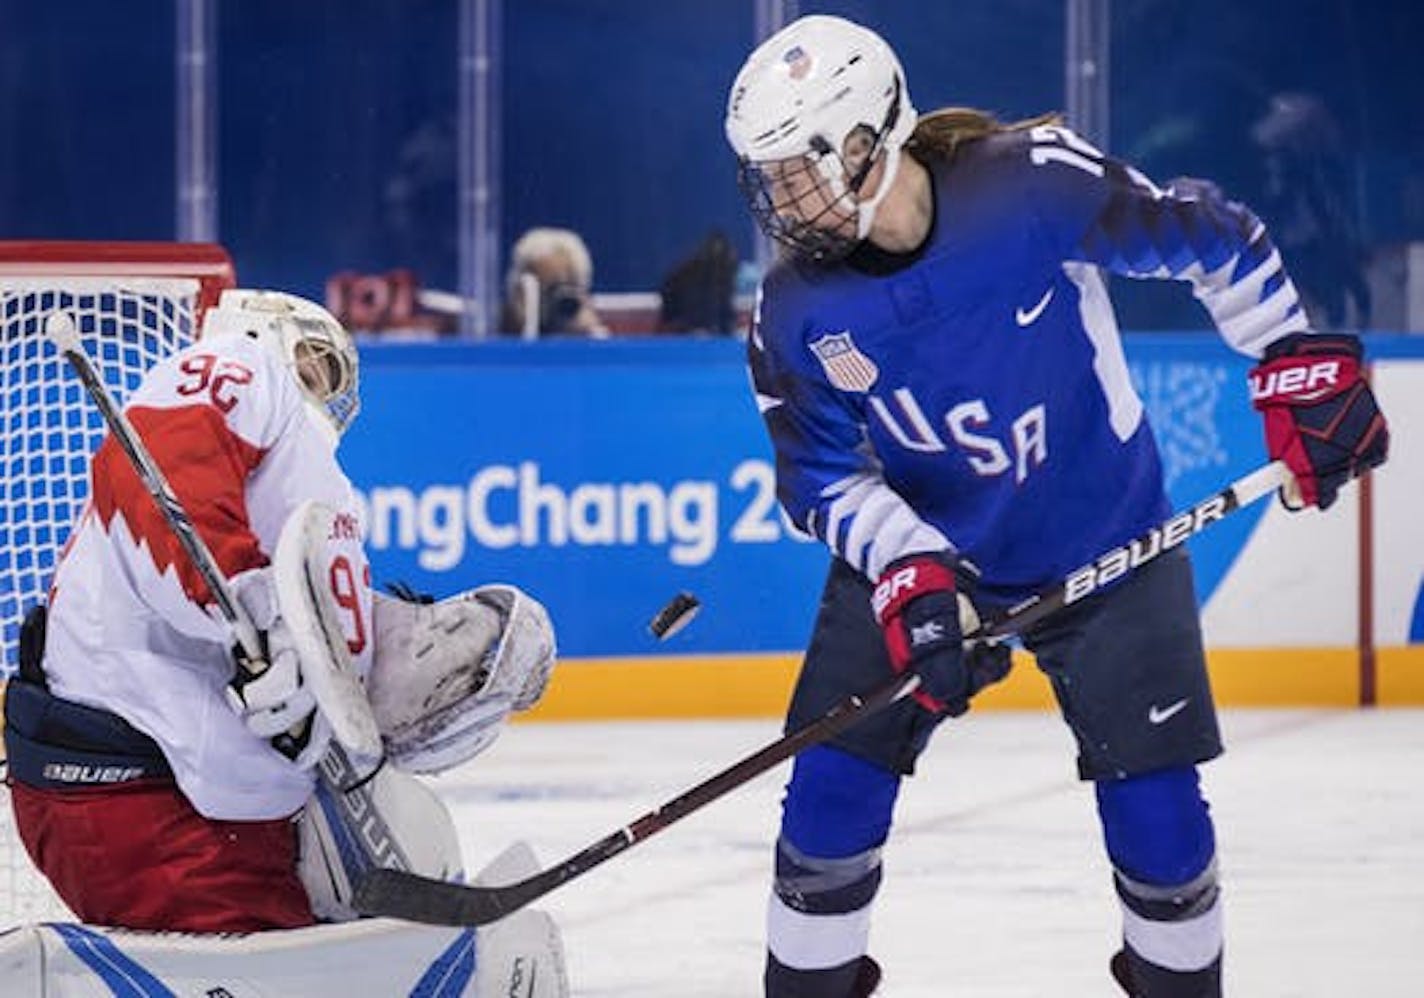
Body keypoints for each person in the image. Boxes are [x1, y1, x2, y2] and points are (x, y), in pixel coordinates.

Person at [724, 15, 1389, 998]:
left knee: (1159, 821)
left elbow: (1211, 239)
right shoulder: (794, 311)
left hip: (1107, 537)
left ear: (868, 138)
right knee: (828, 798)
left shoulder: (1029, 184)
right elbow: (817, 477)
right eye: (768, 177)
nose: (781, 200)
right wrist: (910, 569)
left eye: (797, 168)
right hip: (928, 561)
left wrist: (1290, 359)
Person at [2, 290, 567, 994]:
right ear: (260, 331)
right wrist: (242, 600)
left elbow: (329, 665)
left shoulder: (318, 501)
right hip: (143, 793)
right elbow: (161, 469)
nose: (322, 390)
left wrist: (457, 658)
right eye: (316, 362)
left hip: (219, 810)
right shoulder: (236, 362)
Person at [498, 227, 609, 338]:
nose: (557, 298)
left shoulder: (587, 332)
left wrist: (590, 334)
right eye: (547, 290)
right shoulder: (493, 330)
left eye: (566, 286)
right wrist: (524, 325)